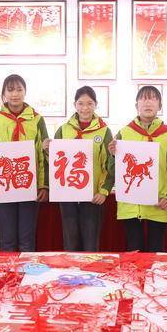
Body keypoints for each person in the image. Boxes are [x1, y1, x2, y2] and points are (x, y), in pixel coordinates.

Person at [0, 74, 49, 252]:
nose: (15, 94)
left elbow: (42, 154)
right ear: (3, 94)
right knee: (7, 239)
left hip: (29, 185)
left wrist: (43, 185)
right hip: (5, 186)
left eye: (19, 89)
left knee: (27, 240)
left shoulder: (37, 119)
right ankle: (8, 270)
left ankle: (27, 270)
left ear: (25, 92)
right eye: (10, 90)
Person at [109, 86, 167, 252]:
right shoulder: (124, 133)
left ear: (160, 106)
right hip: (131, 204)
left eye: (153, 99)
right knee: (134, 251)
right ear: (137, 105)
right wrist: (113, 155)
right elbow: (113, 171)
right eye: (143, 98)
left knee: (156, 250)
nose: (148, 102)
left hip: (159, 203)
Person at [48, 86, 113, 252]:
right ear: (74, 105)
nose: (85, 108)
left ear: (96, 105)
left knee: (90, 245)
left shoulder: (104, 131)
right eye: (81, 103)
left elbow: (109, 165)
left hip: (93, 196)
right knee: (70, 243)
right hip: (67, 196)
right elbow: (55, 161)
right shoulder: (63, 130)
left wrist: (104, 191)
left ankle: (90, 270)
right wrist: (47, 150)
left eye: (89, 103)